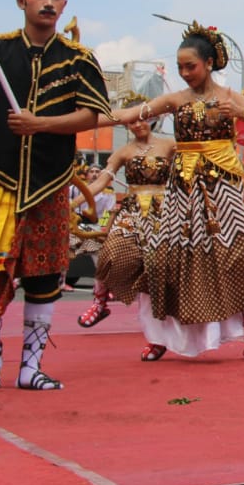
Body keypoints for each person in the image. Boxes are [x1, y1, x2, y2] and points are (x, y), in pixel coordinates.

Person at [110, 21, 244, 363]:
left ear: (208, 63)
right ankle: (160, 337)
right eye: (180, 68)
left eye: (191, 66)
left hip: (225, 186)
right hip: (184, 186)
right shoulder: (176, 99)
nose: (185, 73)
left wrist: (243, 111)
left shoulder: (232, 98)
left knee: (240, 256)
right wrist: (83, 119)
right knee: (167, 257)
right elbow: (130, 113)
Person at [0, 0, 110, 389]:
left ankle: (30, 368)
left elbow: (89, 114)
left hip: (49, 183)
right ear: (21, 1)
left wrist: (38, 124)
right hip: (1, 181)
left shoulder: (77, 58)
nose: (48, 2)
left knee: (45, 278)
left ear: (64, 4)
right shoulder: (0, 51)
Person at [76, 104, 175, 328]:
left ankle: (167, 317)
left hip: (165, 211)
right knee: (108, 253)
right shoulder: (123, 152)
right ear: (125, 124)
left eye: (142, 119)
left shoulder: (169, 145)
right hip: (133, 210)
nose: (138, 124)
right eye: (132, 121)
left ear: (151, 119)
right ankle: (100, 303)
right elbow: (100, 183)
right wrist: (71, 203)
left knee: (163, 263)